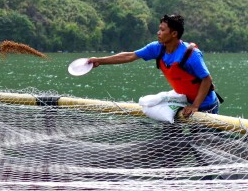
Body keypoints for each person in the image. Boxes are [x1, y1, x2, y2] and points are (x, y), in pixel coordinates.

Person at [88, 13, 220, 117]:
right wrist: (99, 60)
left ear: (174, 34)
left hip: (206, 105)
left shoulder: (191, 54)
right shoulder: (157, 48)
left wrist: (195, 106)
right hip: (184, 102)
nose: (158, 33)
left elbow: (207, 79)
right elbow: (130, 55)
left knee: (205, 144)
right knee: (174, 139)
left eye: (162, 30)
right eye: (159, 29)